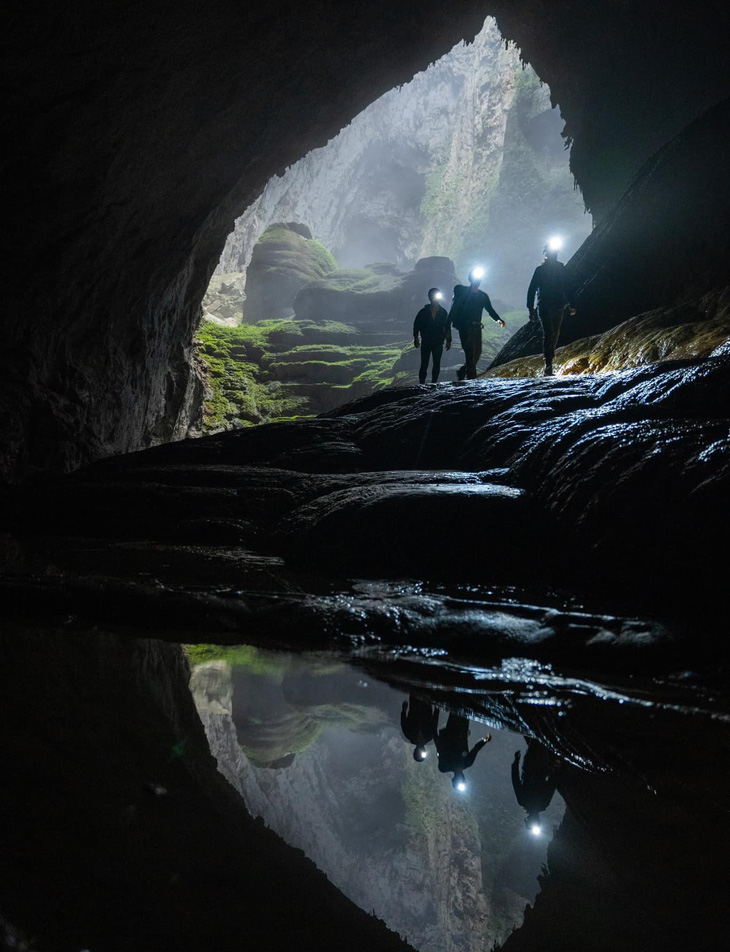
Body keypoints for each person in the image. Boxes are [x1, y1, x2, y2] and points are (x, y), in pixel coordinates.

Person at [526, 238, 576, 376]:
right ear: (548, 254)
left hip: (556, 305)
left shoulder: (559, 268)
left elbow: (567, 286)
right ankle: (548, 365)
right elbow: (532, 289)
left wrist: (571, 304)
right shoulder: (542, 270)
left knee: (553, 335)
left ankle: (549, 363)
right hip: (548, 305)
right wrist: (530, 309)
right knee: (550, 334)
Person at [448, 267, 505, 380]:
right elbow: (454, 310)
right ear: (471, 279)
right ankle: (471, 380)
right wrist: (447, 328)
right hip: (465, 327)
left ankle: (463, 371)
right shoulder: (462, 294)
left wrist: (498, 320)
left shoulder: (482, 296)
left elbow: (490, 310)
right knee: (469, 352)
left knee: (477, 354)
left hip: (477, 327)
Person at [512, 740, 561, 833]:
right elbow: (515, 780)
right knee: (536, 741)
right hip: (530, 767)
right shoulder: (523, 801)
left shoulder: (543, 803)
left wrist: (556, 768)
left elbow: (551, 784)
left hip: (541, 768)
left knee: (541, 742)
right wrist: (516, 762)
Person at [434, 713, 491, 790]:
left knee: (456, 711)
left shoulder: (445, 766)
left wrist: (485, 741)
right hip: (461, 732)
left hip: (452, 732)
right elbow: (475, 749)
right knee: (464, 712)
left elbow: (440, 749)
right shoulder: (467, 762)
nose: (460, 777)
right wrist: (484, 741)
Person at [413, 288, 451, 383]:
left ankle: (433, 384)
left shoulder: (443, 312)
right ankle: (422, 384)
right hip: (426, 341)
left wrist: (449, 340)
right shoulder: (423, 312)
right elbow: (416, 326)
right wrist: (416, 338)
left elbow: (447, 327)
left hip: (438, 342)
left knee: (436, 364)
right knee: (424, 364)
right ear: (429, 298)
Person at [401, 695, 439, 762]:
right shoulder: (429, 736)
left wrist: (404, 709)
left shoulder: (409, 734)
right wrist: (437, 709)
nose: (421, 750)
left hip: (415, 706)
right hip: (426, 707)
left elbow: (403, 722)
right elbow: (434, 723)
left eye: (419, 752)